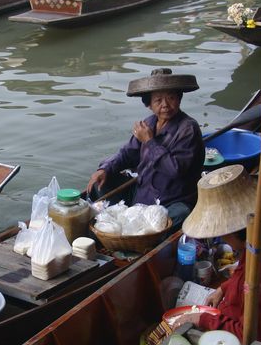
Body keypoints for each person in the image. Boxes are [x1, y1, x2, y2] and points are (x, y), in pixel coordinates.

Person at [180, 164, 261, 345]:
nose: (222, 237)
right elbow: (242, 273)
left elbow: (250, 338)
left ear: (238, 231)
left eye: (224, 233)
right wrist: (224, 288)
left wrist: (202, 319)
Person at [86, 68, 205, 229]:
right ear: (149, 105)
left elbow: (175, 170)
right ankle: (126, 222)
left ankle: (138, 232)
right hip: (142, 195)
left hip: (172, 200)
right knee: (100, 183)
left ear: (179, 99)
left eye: (171, 97)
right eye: (158, 100)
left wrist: (149, 142)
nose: (165, 105)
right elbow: (127, 154)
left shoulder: (188, 128)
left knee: (180, 214)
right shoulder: (149, 123)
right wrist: (105, 169)